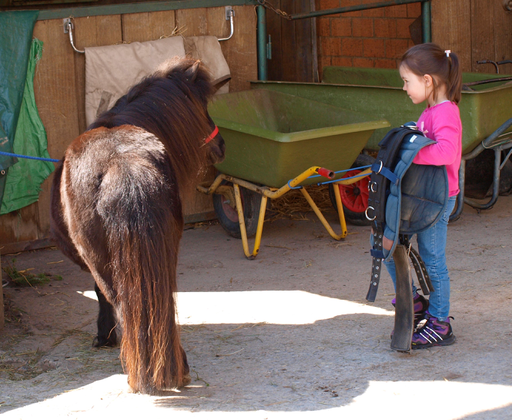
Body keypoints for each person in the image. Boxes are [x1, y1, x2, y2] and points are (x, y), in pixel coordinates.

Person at [385, 43, 463, 349]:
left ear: (427, 80)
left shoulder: (446, 113)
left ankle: (440, 323)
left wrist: (412, 150)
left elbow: (447, 151)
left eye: (407, 81)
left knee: (433, 259)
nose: (404, 88)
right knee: (388, 245)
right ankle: (414, 299)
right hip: (422, 195)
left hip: (438, 199)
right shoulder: (430, 111)